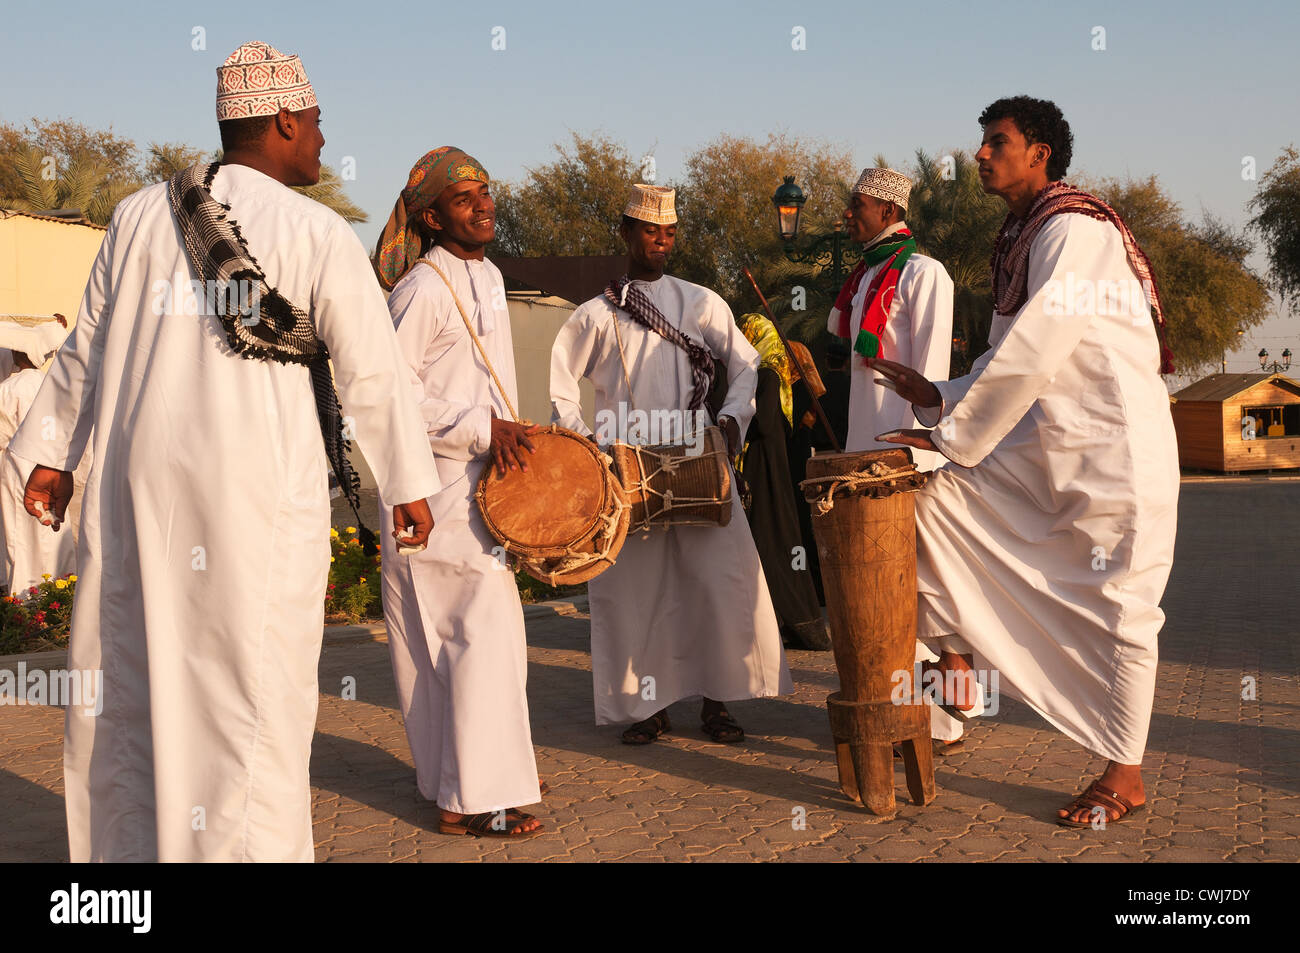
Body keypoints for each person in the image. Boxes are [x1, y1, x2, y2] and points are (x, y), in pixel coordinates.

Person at [10, 41, 440, 862]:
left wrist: (52, 455)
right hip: (257, 507)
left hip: (139, 504)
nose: (321, 140)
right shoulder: (316, 232)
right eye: (315, 124)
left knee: (129, 695)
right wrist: (406, 485)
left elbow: (87, 351)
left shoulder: (138, 215)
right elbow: (373, 374)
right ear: (282, 118)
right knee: (249, 704)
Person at [874, 95, 1179, 827]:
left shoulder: (1073, 227)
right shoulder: (1026, 234)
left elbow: (1036, 345)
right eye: (982, 142)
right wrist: (941, 394)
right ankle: (956, 670)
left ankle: (1124, 773)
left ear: (1039, 152)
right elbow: (1002, 356)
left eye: (996, 141)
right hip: (1046, 448)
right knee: (928, 507)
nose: (981, 154)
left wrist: (953, 436)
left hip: (1112, 451)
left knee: (1122, 611)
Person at [550, 184, 792, 744]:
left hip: (698, 455)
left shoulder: (700, 301)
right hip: (628, 465)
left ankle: (720, 702)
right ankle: (647, 707)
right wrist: (590, 447)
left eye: (670, 232)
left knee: (717, 582)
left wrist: (733, 419)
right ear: (626, 233)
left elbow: (747, 363)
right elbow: (562, 389)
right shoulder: (595, 314)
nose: (661, 241)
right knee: (638, 590)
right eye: (649, 230)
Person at [371, 147, 543, 838]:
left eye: (485, 191)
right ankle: (475, 795)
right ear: (432, 213)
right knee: (475, 639)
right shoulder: (422, 289)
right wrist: (478, 427)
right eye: (464, 195)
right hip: (434, 494)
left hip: (484, 492)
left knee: (468, 643)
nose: (482, 203)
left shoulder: (492, 278)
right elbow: (384, 395)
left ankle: (468, 780)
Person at [828, 168, 953, 471]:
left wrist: (917, 454)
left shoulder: (924, 272)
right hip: (862, 444)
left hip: (906, 453)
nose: (847, 213)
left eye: (857, 204)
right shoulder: (864, 276)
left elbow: (932, 371)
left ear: (887, 210)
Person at [737, 314, 830, 650]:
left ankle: (782, 620)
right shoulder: (776, 371)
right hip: (775, 463)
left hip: (763, 466)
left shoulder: (764, 373)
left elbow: (761, 422)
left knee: (767, 537)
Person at [0, 340, 76, 593]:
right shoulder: (53, 386)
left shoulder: (8, 388)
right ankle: (61, 589)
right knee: (53, 527)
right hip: (53, 464)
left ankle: (24, 594)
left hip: (18, 467)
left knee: (20, 534)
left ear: (16, 353)